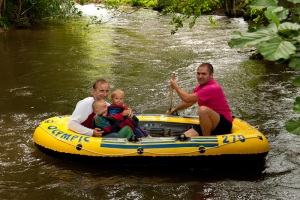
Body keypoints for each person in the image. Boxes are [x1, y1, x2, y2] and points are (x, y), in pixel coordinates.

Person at [167, 63, 233, 137]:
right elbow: (190, 102)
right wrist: (175, 109)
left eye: (203, 74)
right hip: (208, 121)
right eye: (198, 74)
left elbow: (187, 98)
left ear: (211, 75)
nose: (200, 76)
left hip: (223, 124)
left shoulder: (212, 87)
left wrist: (176, 86)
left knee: (203, 110)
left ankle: (206, 141)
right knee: (183, 137)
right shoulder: (199, 87)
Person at [67, 78, 134, 137]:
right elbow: (71, 124)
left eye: (107, 91)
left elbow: (117, 114)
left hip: (104, 133)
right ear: (94, 91)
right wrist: (91, 132)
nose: (105, 94)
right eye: (101, 91)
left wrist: (128, 112)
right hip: (88, 139)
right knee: (115, 135)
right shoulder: (86, 103)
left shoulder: (107, 105)